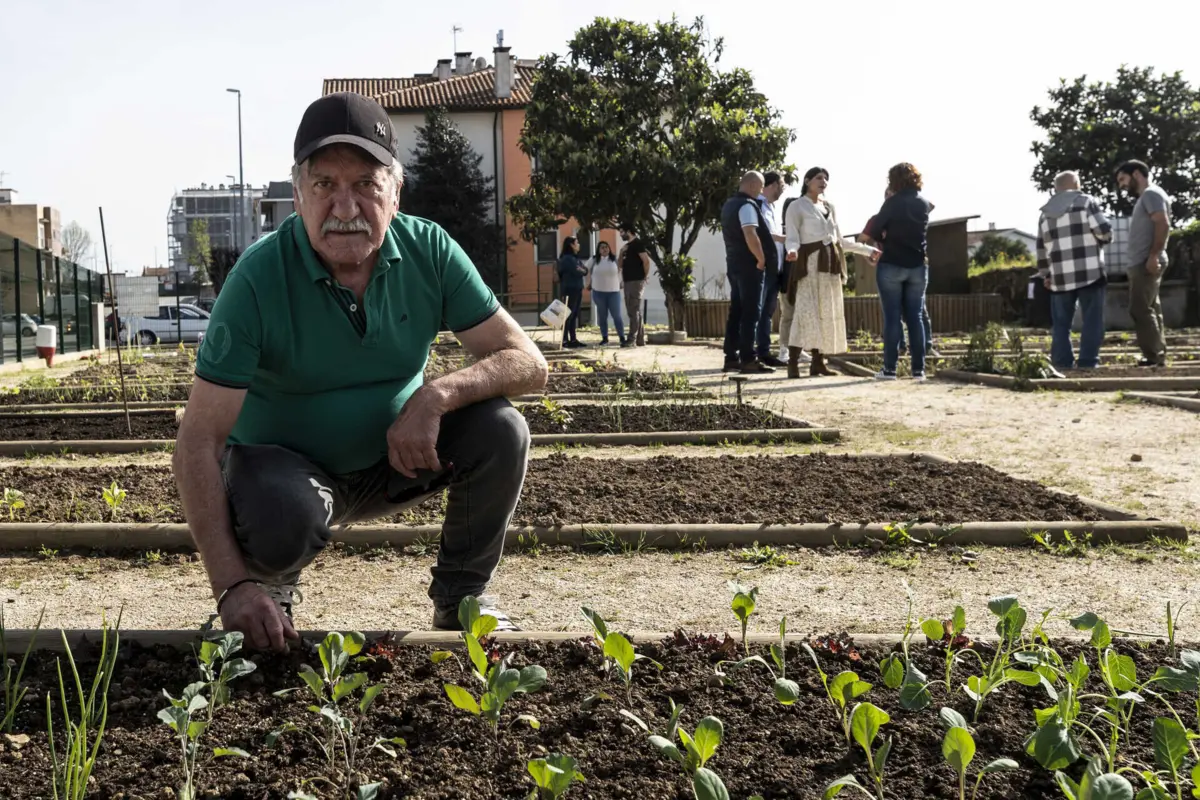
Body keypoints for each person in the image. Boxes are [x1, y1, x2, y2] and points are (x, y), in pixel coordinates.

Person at [173, 92, 549, 650]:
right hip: (284, 475)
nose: (345, 208)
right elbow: (198, 440)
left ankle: (462, 597)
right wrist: (231, 586)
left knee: (501, 428)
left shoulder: (429, 252)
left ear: (396, 192)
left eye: (366, 185)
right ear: (297, 193)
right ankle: (269, 586)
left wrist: (435, 396)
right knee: (282, 514)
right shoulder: (257, 280)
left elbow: (527, 362)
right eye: (324, 185)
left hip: (396, 459)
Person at [783, 167, 877, 378]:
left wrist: (867, 251)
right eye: (818, 177)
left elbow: (839, 241)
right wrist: (791, 251)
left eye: (826, 178)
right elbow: (792, 237)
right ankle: (793, 363)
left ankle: (818, 362)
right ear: (807, 181)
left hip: (831, 265)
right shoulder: (796, 206)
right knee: (805, 311)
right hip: (809, 263)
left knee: (826, 311)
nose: (823, 181)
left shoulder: (829, 207)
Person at [1036, 170, 1113, 370]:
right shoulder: (1086, 202)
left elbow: (1041, 248)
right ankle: (1088, 363)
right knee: (1092, 320)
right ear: (1077, 184)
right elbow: (1104, 232)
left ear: (1056, 188)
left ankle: (1062, 363)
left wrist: (1046, 274)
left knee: (1061, 324)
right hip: (1090, 273)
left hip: (1060, 278)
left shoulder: (1044, 213)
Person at [863, 163, 933, 381]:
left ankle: (890, 370)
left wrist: (885, 238)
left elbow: (874, 230)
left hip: (891, 263)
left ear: (894, 180)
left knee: (892, 317)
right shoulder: (923, 203)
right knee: (916, 317)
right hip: (918, 266)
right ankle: (918, 370)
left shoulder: (892, 203)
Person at [1116, 160, 1172, 367]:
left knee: (1139, 309)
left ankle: (1153, 356)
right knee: (1150, 308)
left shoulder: (1151, 194)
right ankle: (1157, 354)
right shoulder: (1150, 196)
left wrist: (1154, 255)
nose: (1122, 185)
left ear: (1137, 174)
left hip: (1145, 262)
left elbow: (1162, 222)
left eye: (1123, 179)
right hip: (1143, 261)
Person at [720, 171, 777, 373]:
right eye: (761, 187)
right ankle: (748, 358)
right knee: (751, 312)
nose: (761, 192)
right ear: (753, 186)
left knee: (736, 311)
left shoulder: (728, 205)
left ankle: (731, 357)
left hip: (734, 265)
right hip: (749, 266)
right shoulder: (747, 205)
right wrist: (761, 259)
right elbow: (750, 233)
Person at [755, 172, 789, 367]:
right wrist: (784, 238)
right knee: (756, 311)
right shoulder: (756, 205)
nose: (783, 188)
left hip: (775, 268)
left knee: (767, 313)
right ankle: (749, 353)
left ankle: (764, 352)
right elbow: (760, 233)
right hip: (762, 267)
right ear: (774, 184)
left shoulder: (772, 208)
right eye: (782, 184)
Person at [776, 196, 811, 367]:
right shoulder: (783, 232)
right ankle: (784, 349)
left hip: (802, 280)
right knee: (788, 315)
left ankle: (798, 348)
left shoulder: (803, 231)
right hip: (786, 281)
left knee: (801, 316)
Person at [587, 240, 626, 347]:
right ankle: (604, 338)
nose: (605, 249)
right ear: (599, 250)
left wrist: (622, 281)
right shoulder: (594, 260)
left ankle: (622, 337)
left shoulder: (614, 259)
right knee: (602, 316)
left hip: (613, 292)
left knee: (616, 316)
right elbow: (586, 270)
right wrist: (588, 282)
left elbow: (623, 270)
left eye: (606, 247)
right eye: (602, 247)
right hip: (598, 292)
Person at [618, 223, 650, 347]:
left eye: (622, 232)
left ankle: (631, 339)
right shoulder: (626, 247)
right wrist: (621, 252)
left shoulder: (638, 244)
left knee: (633, 310)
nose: (620, 235)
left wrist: (644, 277)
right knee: (635, 310)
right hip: (627, 281)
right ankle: (640, 339)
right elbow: (620, 265)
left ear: (629, 231)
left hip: (636, 281)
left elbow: (646, 261)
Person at [556, 236, 587, 348]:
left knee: (574, 315)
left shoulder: (576, 258)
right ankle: (565, 339)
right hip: (569, 289)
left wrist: (581, 269)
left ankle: (573, 339)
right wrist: (581, 270)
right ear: (571, 245)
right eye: (577, 243)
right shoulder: (567, 258)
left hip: (577, 288)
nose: (579, 245)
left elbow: (585, 270)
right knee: (567, 314)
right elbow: (577, 271)